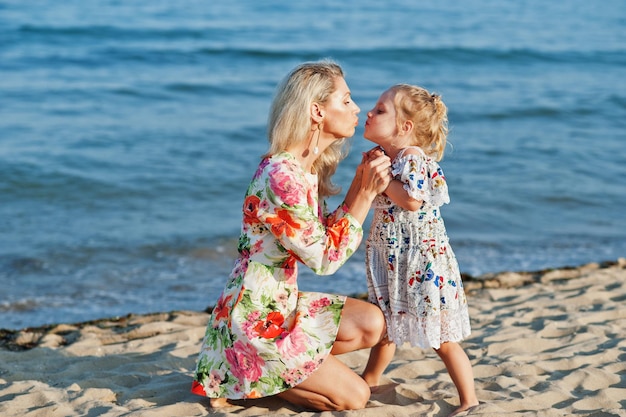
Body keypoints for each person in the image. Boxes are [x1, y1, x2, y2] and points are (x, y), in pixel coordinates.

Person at [191, 60, 392, 412]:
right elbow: (324, 260)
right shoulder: (280, 176)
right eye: (346, 100)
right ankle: (246, 374)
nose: (357, 108)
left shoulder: (304, 168)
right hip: (253, 322)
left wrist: (361, 186)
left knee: (372, 324)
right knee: (355, 397)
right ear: (317, 111)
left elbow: (318, 235)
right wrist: (364, 196)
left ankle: (266, 373)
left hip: (280, 306)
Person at [359, 84, 479, 416]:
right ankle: (369, 379)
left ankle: (469, 399)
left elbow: (412, 200)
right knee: (387, 326)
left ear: (405, 127)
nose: (369, 113)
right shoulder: (389, 158)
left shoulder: (411, 157)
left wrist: (381, 179)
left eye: (380, 110)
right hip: (394, 258)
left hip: (421, 262)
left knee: (441, 337)